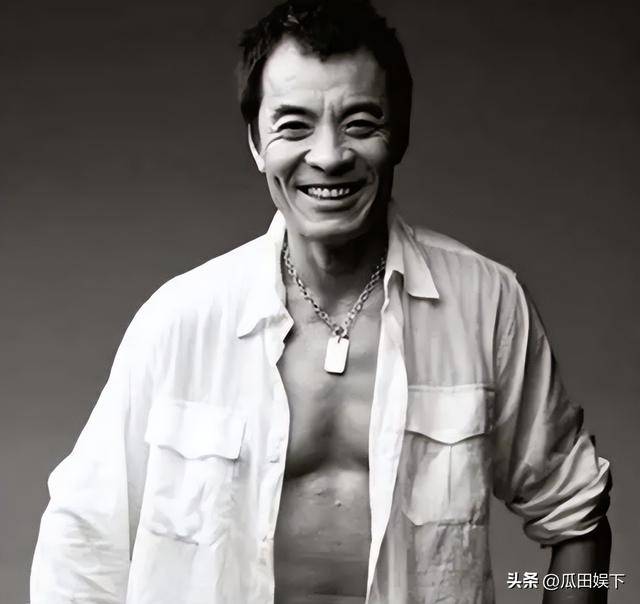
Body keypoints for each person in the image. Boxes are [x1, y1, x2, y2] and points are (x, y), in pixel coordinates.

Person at [30, 0, 612, 602]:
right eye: (294, 126)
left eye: (360, 122)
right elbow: (80, 546)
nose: (329, 156)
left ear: (399, 134)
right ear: (256, 142)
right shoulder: (181, 320)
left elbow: (577, 516)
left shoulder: (486, 303)